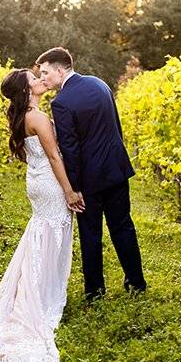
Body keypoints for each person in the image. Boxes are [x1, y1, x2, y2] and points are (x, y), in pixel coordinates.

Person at [0, 68, 84, 362]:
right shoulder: (36, 115)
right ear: (27, 89)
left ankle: (40, 285)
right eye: (33, 78)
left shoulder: (24, 115)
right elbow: (53, 157)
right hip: (50, 183)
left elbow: (34, 156)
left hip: (36, 181)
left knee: (43, 232)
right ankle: (42, 292)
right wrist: (69, 191)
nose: (40, 79)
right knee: (52, 233)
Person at [37, 46, 146, 301]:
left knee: (91, 234)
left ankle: (95, 291)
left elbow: (71, 149)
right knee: (123, 226)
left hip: (89, 180)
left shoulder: (61, 102)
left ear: (60, 69)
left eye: (45, 73)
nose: (43, 78)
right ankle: (136, 282)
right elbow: (115, 127)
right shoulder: (100, 84)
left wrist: (73, 188)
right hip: (116, 170)